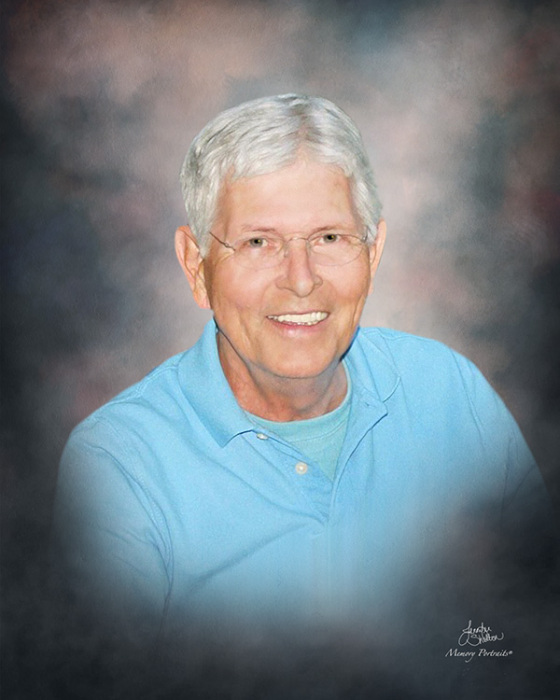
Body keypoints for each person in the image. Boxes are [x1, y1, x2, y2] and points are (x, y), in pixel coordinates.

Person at [53, 95, 552, 664]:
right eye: (259, 243)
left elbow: (535, 634)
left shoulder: (451, 393)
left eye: (329, 238)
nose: (301, 280)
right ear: (196, 266)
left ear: (373, 253)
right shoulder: (119, 463)